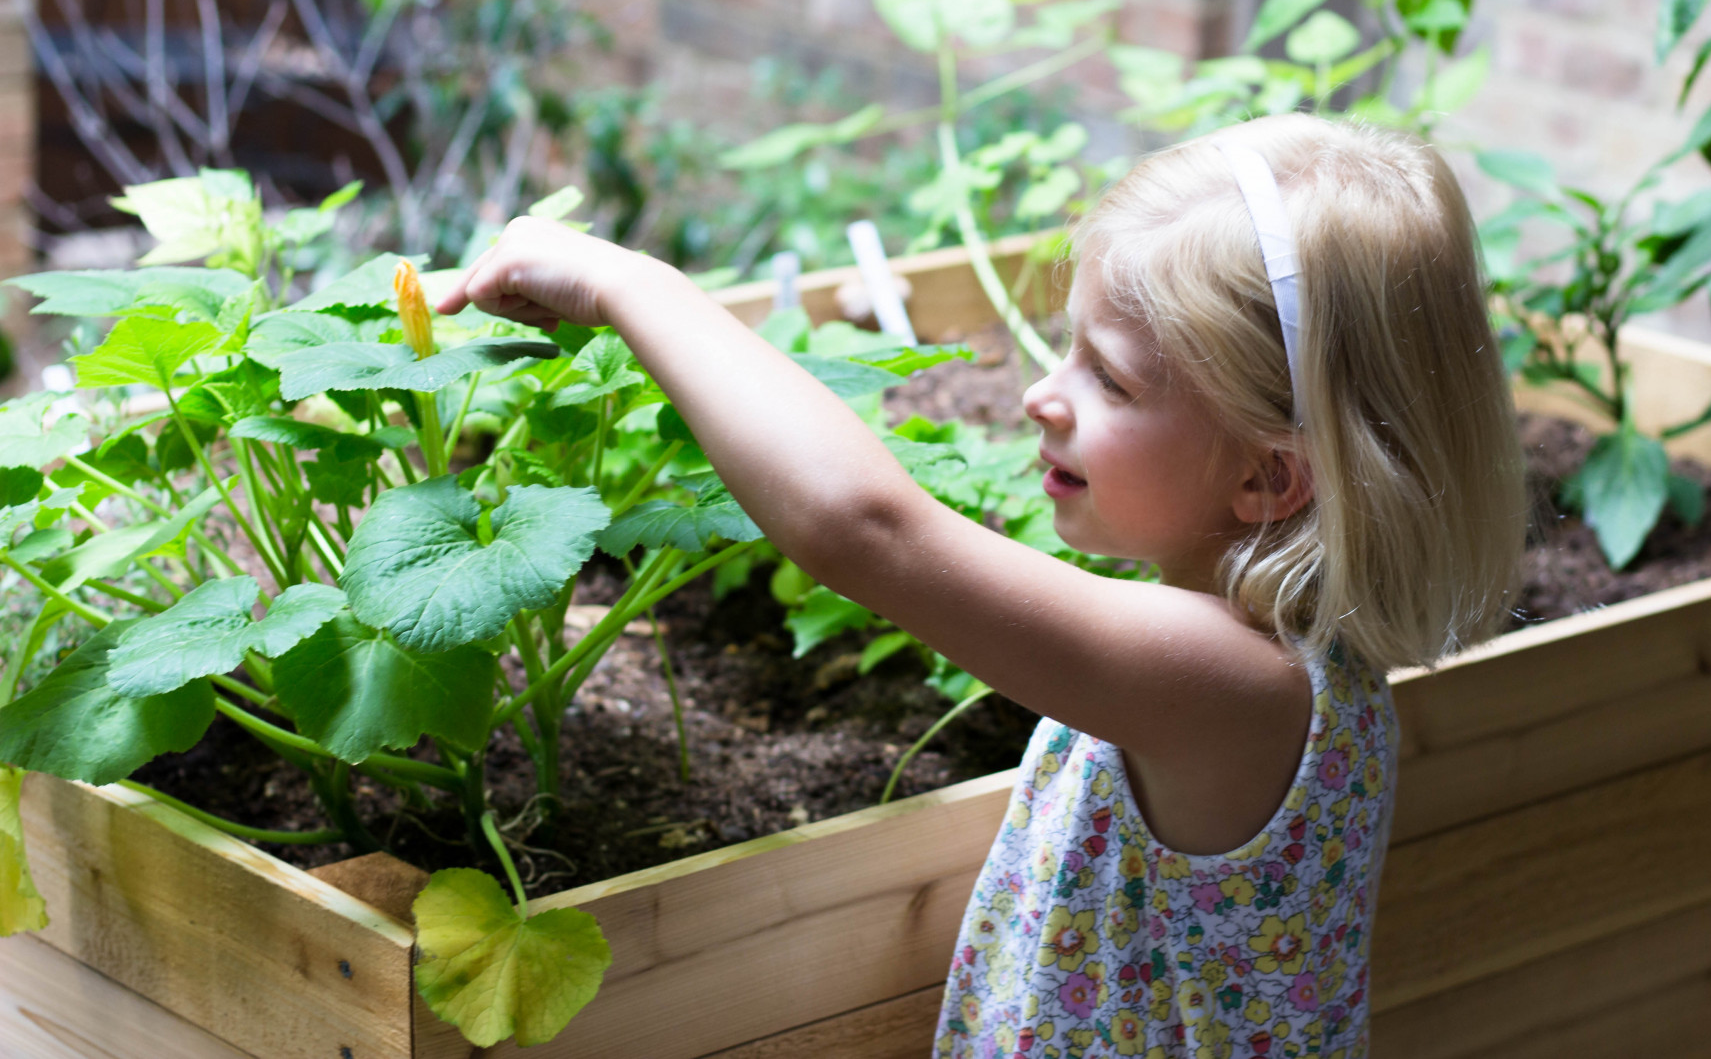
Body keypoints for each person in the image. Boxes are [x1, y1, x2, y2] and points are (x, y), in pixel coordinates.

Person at [437, 112, 1525, 1058]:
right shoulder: (1268, 665)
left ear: (1264, 474)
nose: (1044, 395)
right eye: (1065, 347)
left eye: (1107, 374)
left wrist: (625, 282)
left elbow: (862, 528)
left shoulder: (1233, 687)